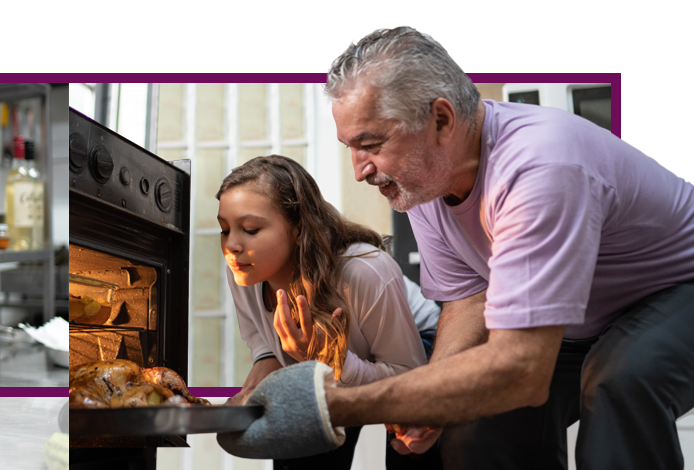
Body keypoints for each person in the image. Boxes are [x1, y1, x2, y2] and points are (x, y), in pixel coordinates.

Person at [219, 25, 694, 470]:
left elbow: (520, 369)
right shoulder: (427, 183)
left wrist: (330, 404)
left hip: (676, 290)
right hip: (579, 320)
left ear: (441, 119)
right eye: (351, 147)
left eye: (370, 144)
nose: (361, 169)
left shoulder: (540, 168)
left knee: (619, 382)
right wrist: (431, 402)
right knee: (470, 427)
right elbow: (469, 297)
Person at [218, 155, 428, 469]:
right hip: (331, 364)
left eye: (249, 229)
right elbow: (261, 340)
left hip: (416, 354)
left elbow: (408, 379)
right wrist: (261, 372)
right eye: (224, 230)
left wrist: (331, 362)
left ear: (298, 228)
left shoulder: (366, 271)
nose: (231, 245)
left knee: (409, 448)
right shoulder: (244, 269)